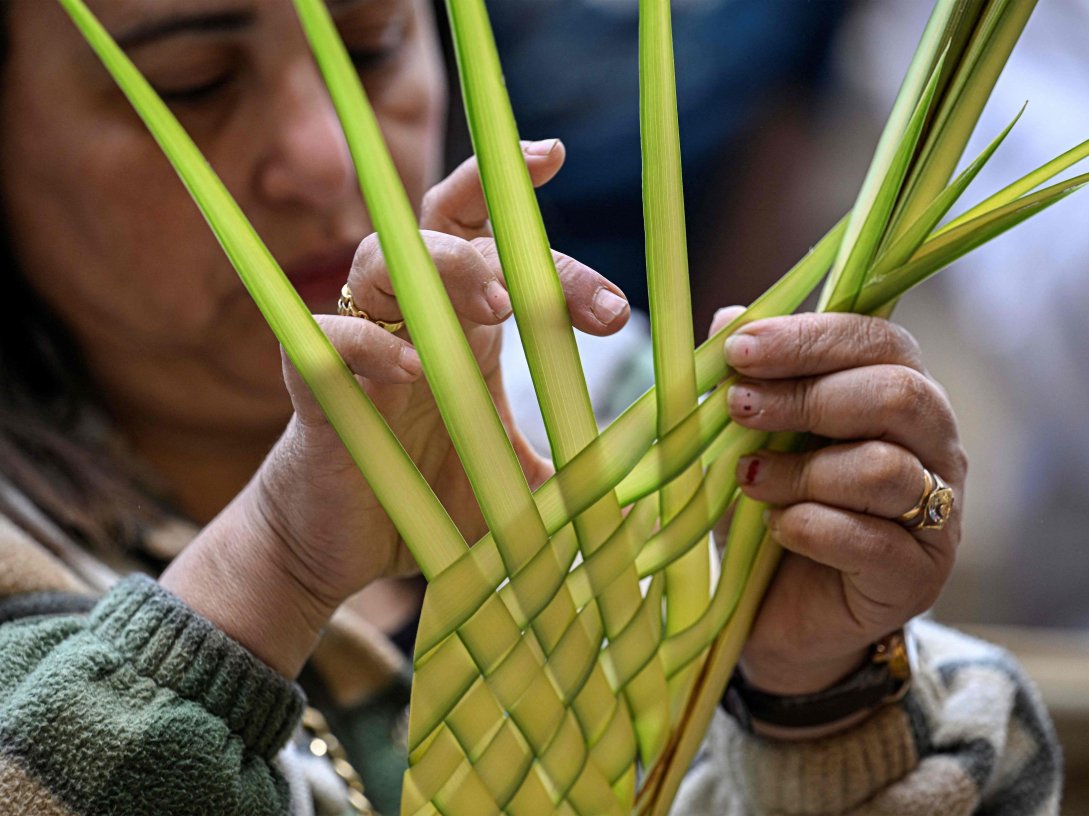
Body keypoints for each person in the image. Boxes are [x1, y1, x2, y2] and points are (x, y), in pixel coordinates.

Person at [0, 1, 1060, 814]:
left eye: (371, 47)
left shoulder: (616, 413)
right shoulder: (23, 543)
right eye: (190, 83)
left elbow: (997, 765)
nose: (324, 158)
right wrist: (271, 563)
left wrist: (816, 693)